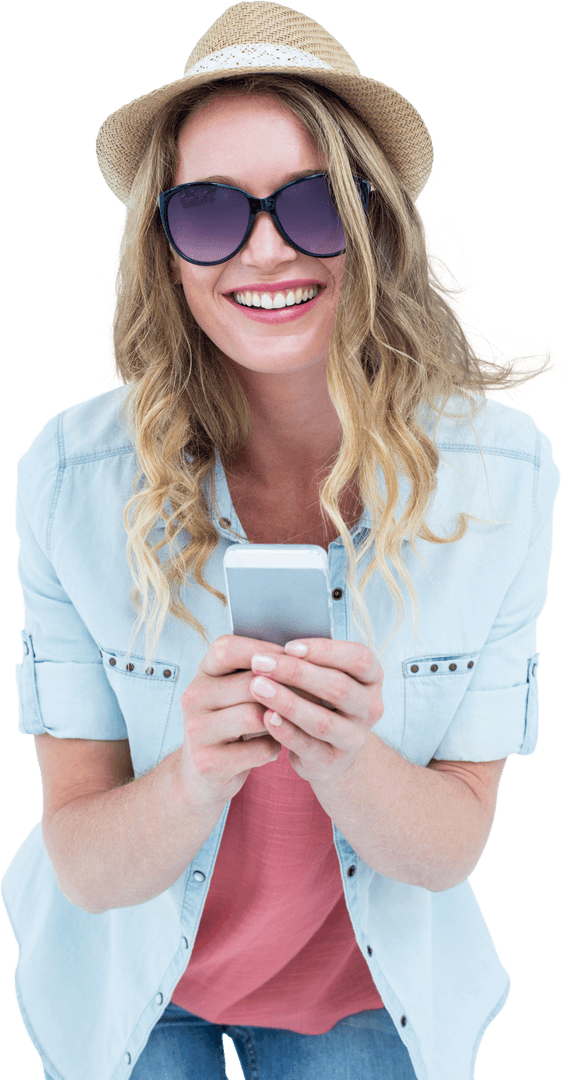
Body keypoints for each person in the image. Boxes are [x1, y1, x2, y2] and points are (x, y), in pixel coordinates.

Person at [0, 4, 563, 1080]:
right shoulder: (69, 480)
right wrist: (196, 773)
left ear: (377, 227)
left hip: (371, 993)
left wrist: (347, 755)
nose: (265, 248)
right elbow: (83, 861)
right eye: (210, 214)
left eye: (314, 205)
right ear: (166, 253)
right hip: (129, 983)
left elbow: (450, 849)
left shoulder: (504, 478)